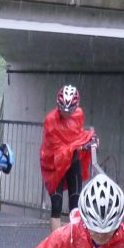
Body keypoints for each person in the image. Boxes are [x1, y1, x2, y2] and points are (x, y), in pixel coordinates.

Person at [40, 84, 97, 233]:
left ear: (75, 107)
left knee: (75, 204)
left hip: (72, 162)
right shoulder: (50, 120)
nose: (66, 113)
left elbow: (77, 135)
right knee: (56, 204)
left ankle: (74, 243)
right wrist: (78, 145)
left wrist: (88, 139)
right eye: (63, 109)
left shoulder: (78, 115)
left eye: (69, 110)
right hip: (55, 164)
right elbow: (56, 147)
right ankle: (55, 243)